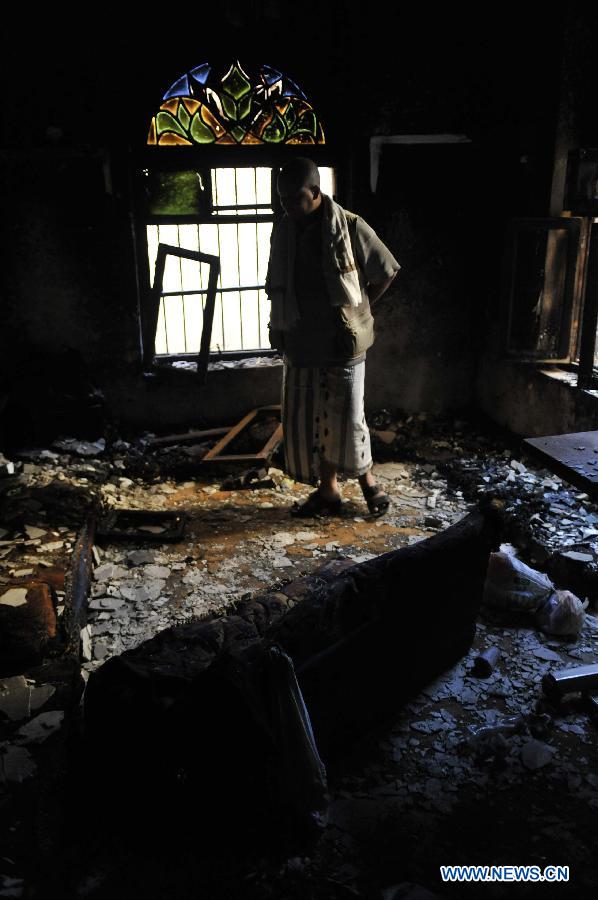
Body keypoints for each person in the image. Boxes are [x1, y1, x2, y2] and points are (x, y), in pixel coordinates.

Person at [265, 157, 400, 517]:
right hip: (302, 342)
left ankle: (368, 483)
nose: (289, 207)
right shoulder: (285, 231)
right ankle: (328, 491)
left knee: (348, 416)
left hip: (342, 342)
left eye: (295, 199)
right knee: (312, 420)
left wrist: (361, 306)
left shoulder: (351, 227)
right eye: (282, 200)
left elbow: (386, 271)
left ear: (316, 193)